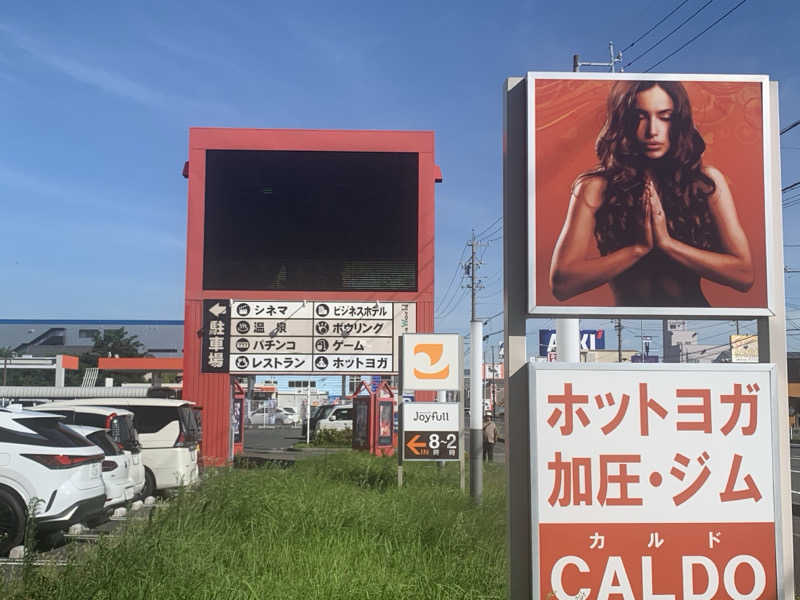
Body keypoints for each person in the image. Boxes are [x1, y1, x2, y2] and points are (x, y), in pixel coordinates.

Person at [549, 80, 754, 307]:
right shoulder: (595, 186)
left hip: (695, 319)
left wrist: (668, 244)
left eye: (664, 117)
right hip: (625, 324)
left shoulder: (704, 181)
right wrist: (637, 249)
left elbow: (744, 275)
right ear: (622, 122)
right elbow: (562, 284)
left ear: (678, 122)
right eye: (639, 117)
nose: (652, 131)